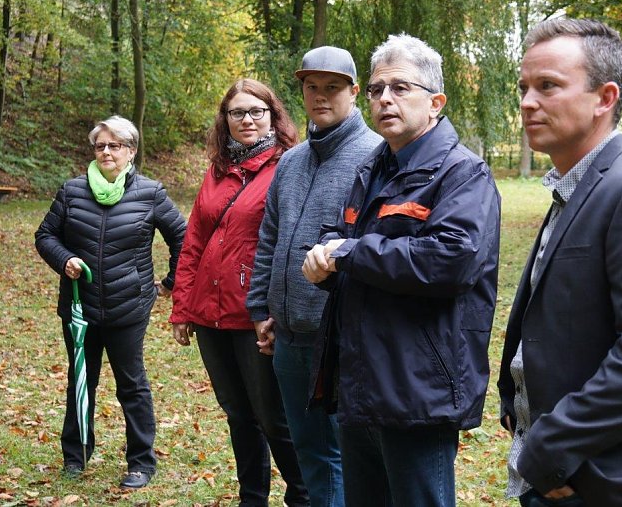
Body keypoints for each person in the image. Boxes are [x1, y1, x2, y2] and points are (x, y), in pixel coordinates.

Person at [498, 18, 622, 507]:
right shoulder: (575, 185)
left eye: (548, 86)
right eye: (524, 86)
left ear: (604, 98)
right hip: (560, 470)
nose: (527, 102)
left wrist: (548, 452)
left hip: (600, 480)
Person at [302, 34, 501, 507]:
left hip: (417, 389)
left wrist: (347, 254)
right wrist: (323, 263)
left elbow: (451, 260)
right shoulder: (373, 168)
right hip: (360, 381)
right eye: (375, 90)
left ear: (435, 102)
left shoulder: (462, 173)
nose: (385, 99)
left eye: (400, 88)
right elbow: (342, 238)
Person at [246, 46, 380, 507]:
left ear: (354, 91)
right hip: (288, 336)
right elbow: (270, 238)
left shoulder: (377, 156)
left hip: (342, 337)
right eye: (311, 87)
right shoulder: (291, 160)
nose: (321, 96)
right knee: (307, 452)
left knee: (346, 453)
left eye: (333, 87)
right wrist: (261, 309)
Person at [170, 79, 309, 507]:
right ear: (225, 120)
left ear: (272, 115)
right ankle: (253, 497)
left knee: (272, 415)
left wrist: (272, 308)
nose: (247, 120)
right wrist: (181, 307)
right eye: (237, 113)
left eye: (256, 111)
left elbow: (288, 241)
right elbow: (194, 239)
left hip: (255, 314)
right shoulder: (218, 170)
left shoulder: (288, 165)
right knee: (237, 413)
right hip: (208, 313)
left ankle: (303, 494)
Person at [35, 115, 186, 489]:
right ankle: (76, 454)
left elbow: (183, 239)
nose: (106, 152)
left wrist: (168, 284)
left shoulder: (150, 192)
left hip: (128, 307)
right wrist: (63, 259)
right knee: (81, 379)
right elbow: (45, 235)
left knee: (131, 385)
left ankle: (140, 462)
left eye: (114, 145)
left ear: (131, 151)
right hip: (79, 308)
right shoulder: (71, 191)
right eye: (100, 145)